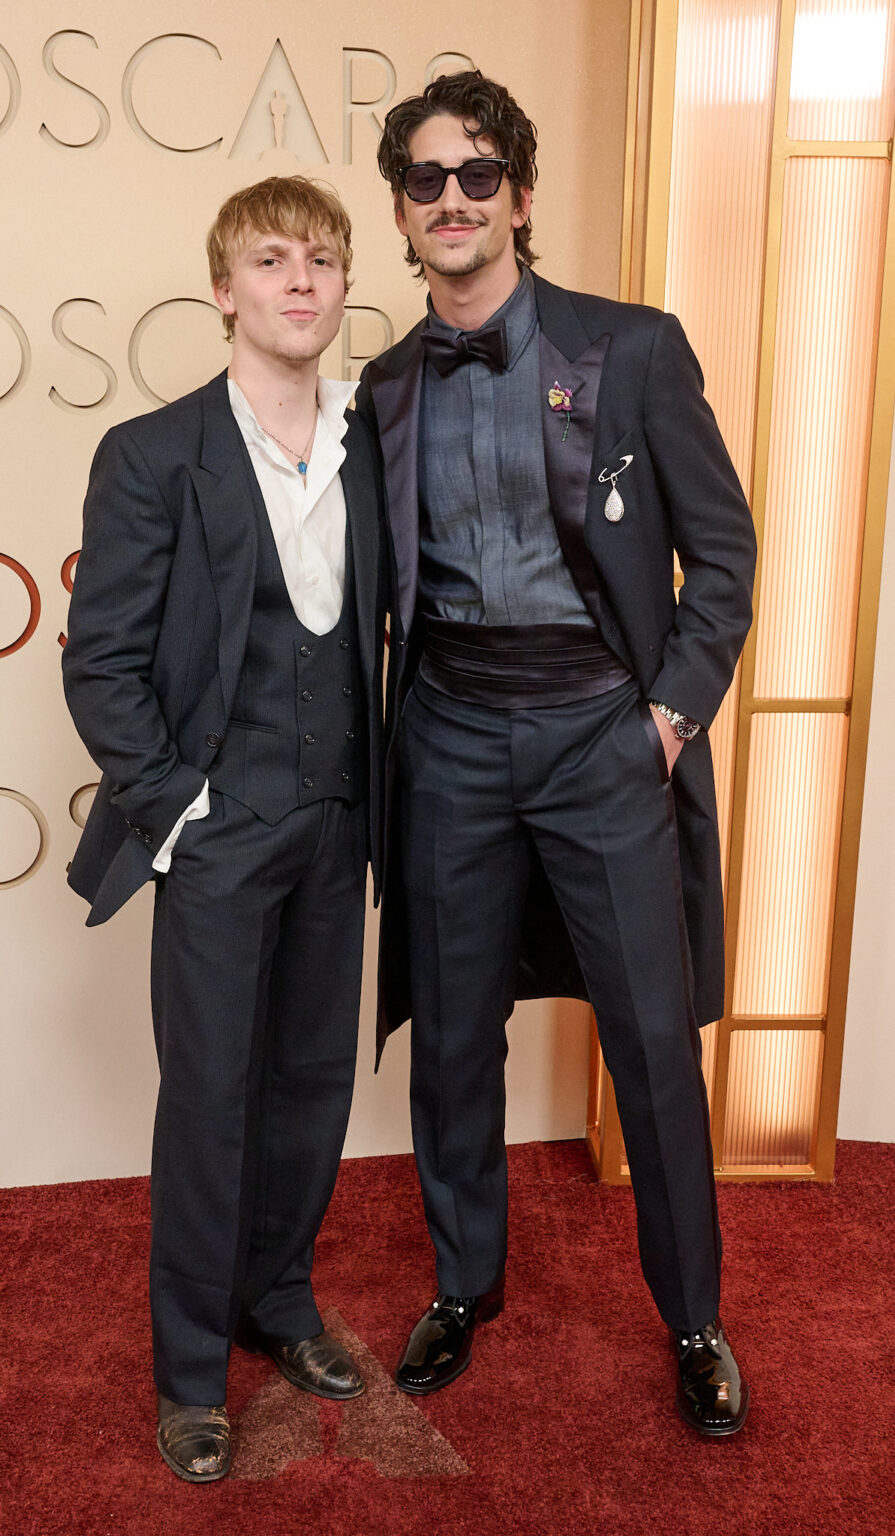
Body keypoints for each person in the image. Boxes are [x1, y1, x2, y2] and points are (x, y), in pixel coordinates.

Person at [356, 71, 756, 1436]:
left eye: (478, 175)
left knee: (651, 1039)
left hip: (601, 733)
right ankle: (464, 1283)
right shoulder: (386, 385)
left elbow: (724, 555)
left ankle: (694, 1317)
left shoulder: (632, 348)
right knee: (453, 1035)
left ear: (521, 197)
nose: (453, 199)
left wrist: (668, 720)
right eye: (426, 180)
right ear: (402, 213)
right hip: (451, 737)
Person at [63, 176, 384, 1481]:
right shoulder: (152, 454)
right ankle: (192, 1372)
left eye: (322, 260)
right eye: (271, 260)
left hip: (341, 821)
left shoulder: (379, 445)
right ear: (224, 291)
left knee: (312, 1085)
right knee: (208, 1102)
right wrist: (183, 809)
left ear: (343, 285)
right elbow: (102, 665)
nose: (300, 281)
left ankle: (279, 1302)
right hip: (219, 826)